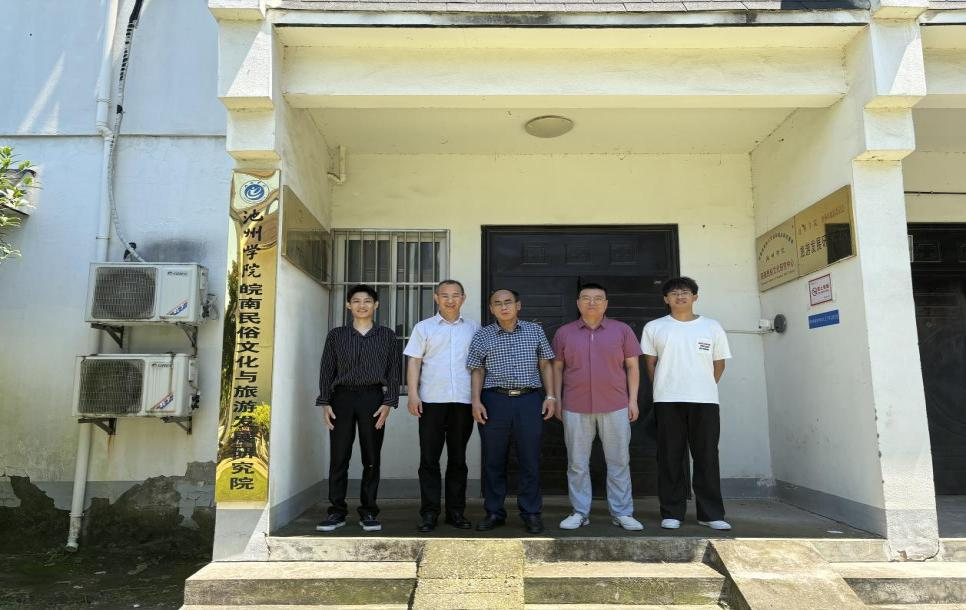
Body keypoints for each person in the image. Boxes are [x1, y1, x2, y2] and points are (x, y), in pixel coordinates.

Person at [640, 277, 732, 531]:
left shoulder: (712, 326)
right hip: (667, 400)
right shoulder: (655, 327)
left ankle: (710, 514)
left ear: (695, 297)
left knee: (707, 456)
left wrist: (702, 385)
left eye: (685, 292)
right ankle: (672, 512)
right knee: (669, 457)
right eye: (674, 293)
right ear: (665, 299)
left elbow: (719, 364)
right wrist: (665, 386)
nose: (680, 296)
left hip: (705, 401)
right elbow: (650, 364)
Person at [552, 283, 645, 531]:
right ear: (578, 303)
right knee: (577, 463)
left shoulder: (622, 330)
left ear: (606, 303)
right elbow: (557, 368)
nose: (591, 302)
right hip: (575, 405)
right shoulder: (564, 333)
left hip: (615, 404)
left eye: (597, 298)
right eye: (586, 298)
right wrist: (557, 399)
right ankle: (580, 512)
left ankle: (622, 512)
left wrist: (633, 400)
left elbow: (633, 367)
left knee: (619, 461)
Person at [467, 289, 556, 534]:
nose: (503, 307)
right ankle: (494, 512)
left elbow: (545, 364)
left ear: (518, 305)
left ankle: (531, 513)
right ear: (491, 309)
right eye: (498, 303)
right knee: (493, 460)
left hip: (529, 400)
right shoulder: (482, 335)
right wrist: (475, 401)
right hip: (494, 401)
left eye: (508, 302)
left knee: (530, 458)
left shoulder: (534, 330)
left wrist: (550, 396)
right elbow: (477, 369)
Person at [315, 284, 401, 533]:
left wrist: (389, 402)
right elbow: (326, 369)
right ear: (348, 305)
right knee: (339, 455)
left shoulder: (387, 336)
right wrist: (325, 402)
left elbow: (394, 371)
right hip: (341, 398)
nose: (362, 305)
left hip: (373, 398)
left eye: (367, 301)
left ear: (376, 305)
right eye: (356, 301)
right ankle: (336, 511)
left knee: (371, 456)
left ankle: (369, 511)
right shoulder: (337, 335)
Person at [404, 279, 479, 533]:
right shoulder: (424, 327)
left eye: (455, 295)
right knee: (429, 459)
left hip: (463, 402)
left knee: (458, 459)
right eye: (445, 295)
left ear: (463, 298)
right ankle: (429, 513)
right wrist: (412, 395)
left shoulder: (473, 328)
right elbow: (414, 362)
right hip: (431, 402)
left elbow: (479, 366)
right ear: (436, 298)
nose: (450, 300)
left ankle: (456, 512)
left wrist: (477, 398)